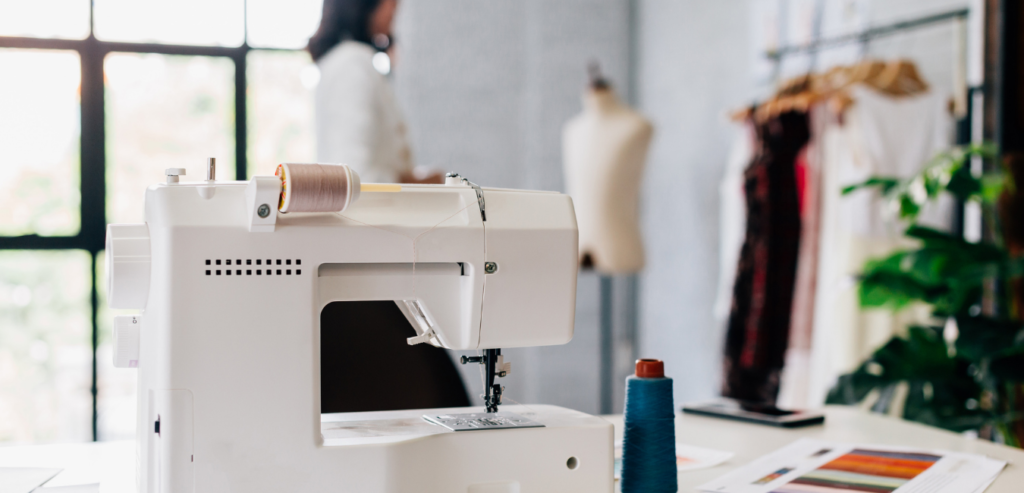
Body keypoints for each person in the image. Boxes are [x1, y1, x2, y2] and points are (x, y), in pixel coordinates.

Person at [308, 0, 440, 184]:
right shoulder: (352, 66)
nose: (395, 5)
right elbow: (354, 174)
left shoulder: (351, 61)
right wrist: (416, 183)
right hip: (367, 211)